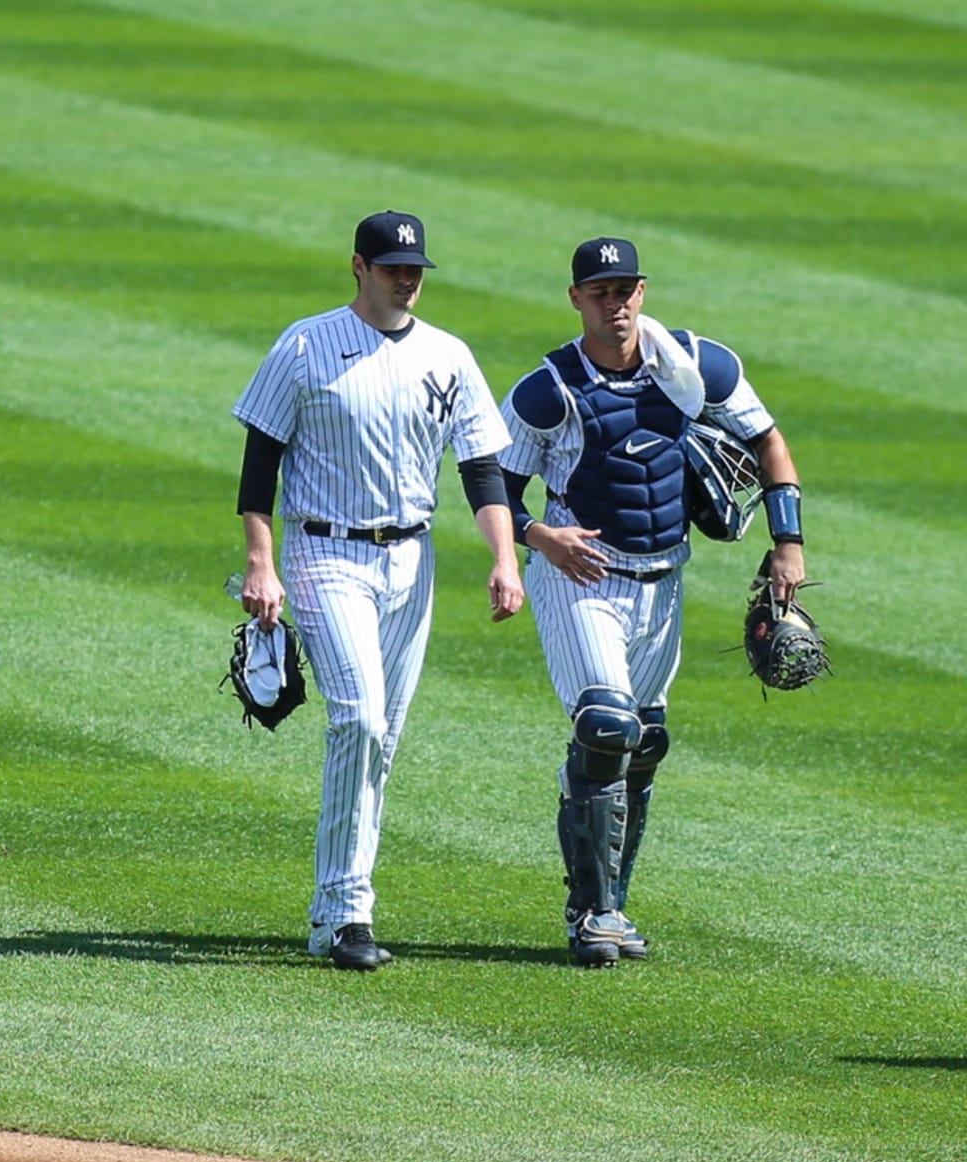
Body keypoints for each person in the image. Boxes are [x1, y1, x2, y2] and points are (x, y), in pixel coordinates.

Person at [498, 237, 807, 967]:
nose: (617, 302)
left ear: (644, 290)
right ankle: (595, 915)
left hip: (665, 579)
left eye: (627, 288)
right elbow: (492, 491)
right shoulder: (547, 390)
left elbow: (767, 443)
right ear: (575, 298)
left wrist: (788, 543)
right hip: (582, 579)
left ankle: (609, 898)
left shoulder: (697, 365)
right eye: (600, 291)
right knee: (608, 727)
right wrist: (541, 537)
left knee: (646, 745)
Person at [232, 210, 525, 971]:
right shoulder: (305, 344)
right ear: (357, 266)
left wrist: (505, 557)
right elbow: (259, 464)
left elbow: (482, 469)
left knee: (383, 737)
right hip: (325, 553)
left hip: (411, 560)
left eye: (416, 265)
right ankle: (341, 916)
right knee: (358, 719)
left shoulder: (448, 355)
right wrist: (261, 563)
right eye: (393, 265)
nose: (408, 276)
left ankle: (345, 908)